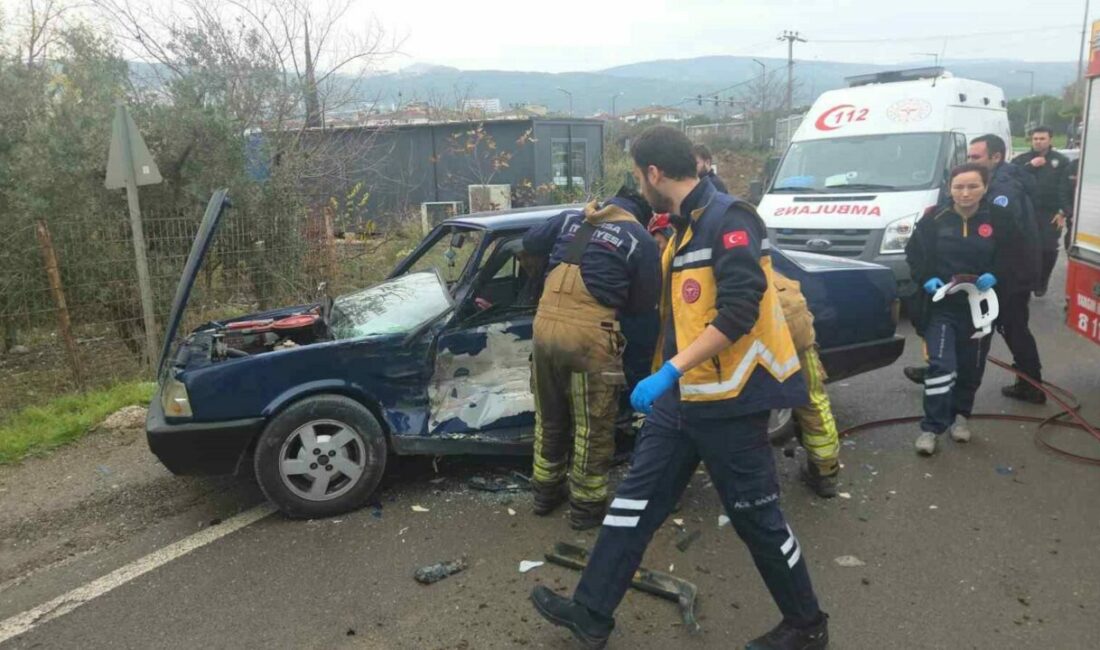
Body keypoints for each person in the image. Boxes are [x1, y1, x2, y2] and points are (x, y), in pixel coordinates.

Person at [530, 126, 828, 650]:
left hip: (731, 399)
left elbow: (739, 308)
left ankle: (807, 624)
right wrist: (666, 375)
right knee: (633, 504)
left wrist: (670, 370)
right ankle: (592, 613)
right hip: (682, 401)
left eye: (637, 174)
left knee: (757, 518)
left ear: (653, 173)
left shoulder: (729, 218)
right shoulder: (683, 227)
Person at [522, 186, 661, 530]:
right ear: (642, 214)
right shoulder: (639, 238)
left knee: (549, 417)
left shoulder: (573, 217)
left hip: (542, 329)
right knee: (592, 426)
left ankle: (544, 493)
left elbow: (530, 242)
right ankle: (585, 507)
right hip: (589, 337)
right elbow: (643, 306)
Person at [903, 134, 1047, 405]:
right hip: (998, 277)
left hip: (1011, 279)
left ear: (996, 158)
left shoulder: (1003, 190)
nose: (970, 161)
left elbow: (1011, 241)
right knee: (964, 327)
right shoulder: (997, 184)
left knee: (1010, 329)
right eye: (968, 157)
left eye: (975, 157)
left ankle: (1031, 383)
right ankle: (943, 368)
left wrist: (1000, 274)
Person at [905, 163, 1032, 455]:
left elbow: (1016, 255)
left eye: (973, 186)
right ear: (949, 188)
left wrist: (996, 274)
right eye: (959, 186)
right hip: (942, 306)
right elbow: (914, 254)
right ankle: (931, 428)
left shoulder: (1000, 219)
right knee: (941, 366)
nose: (965, 193)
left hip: (980, 308)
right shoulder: (934, 219)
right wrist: (926, 278)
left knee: (971, 367)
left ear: (985, 187)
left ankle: (961, 417)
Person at [776, 274, 840, 498]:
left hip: (765, 335)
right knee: (814, 404)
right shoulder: (775, 274)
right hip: (799, 336)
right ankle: (825, 473)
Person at [1011, 126, 1072, 297]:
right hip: (1025, 211)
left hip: (1050, 213)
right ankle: (1025, 280)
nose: (1038, 141)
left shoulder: (1061, 161)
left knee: (1049, 249)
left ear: (1050, 139)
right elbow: (1011, 178)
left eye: (1042, 138)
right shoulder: (1021, 160)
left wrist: (1063, 211)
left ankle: (1042, 281)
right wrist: (1029, 165)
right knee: (1023, 248)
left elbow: (1065, 188)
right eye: (1035, 138)